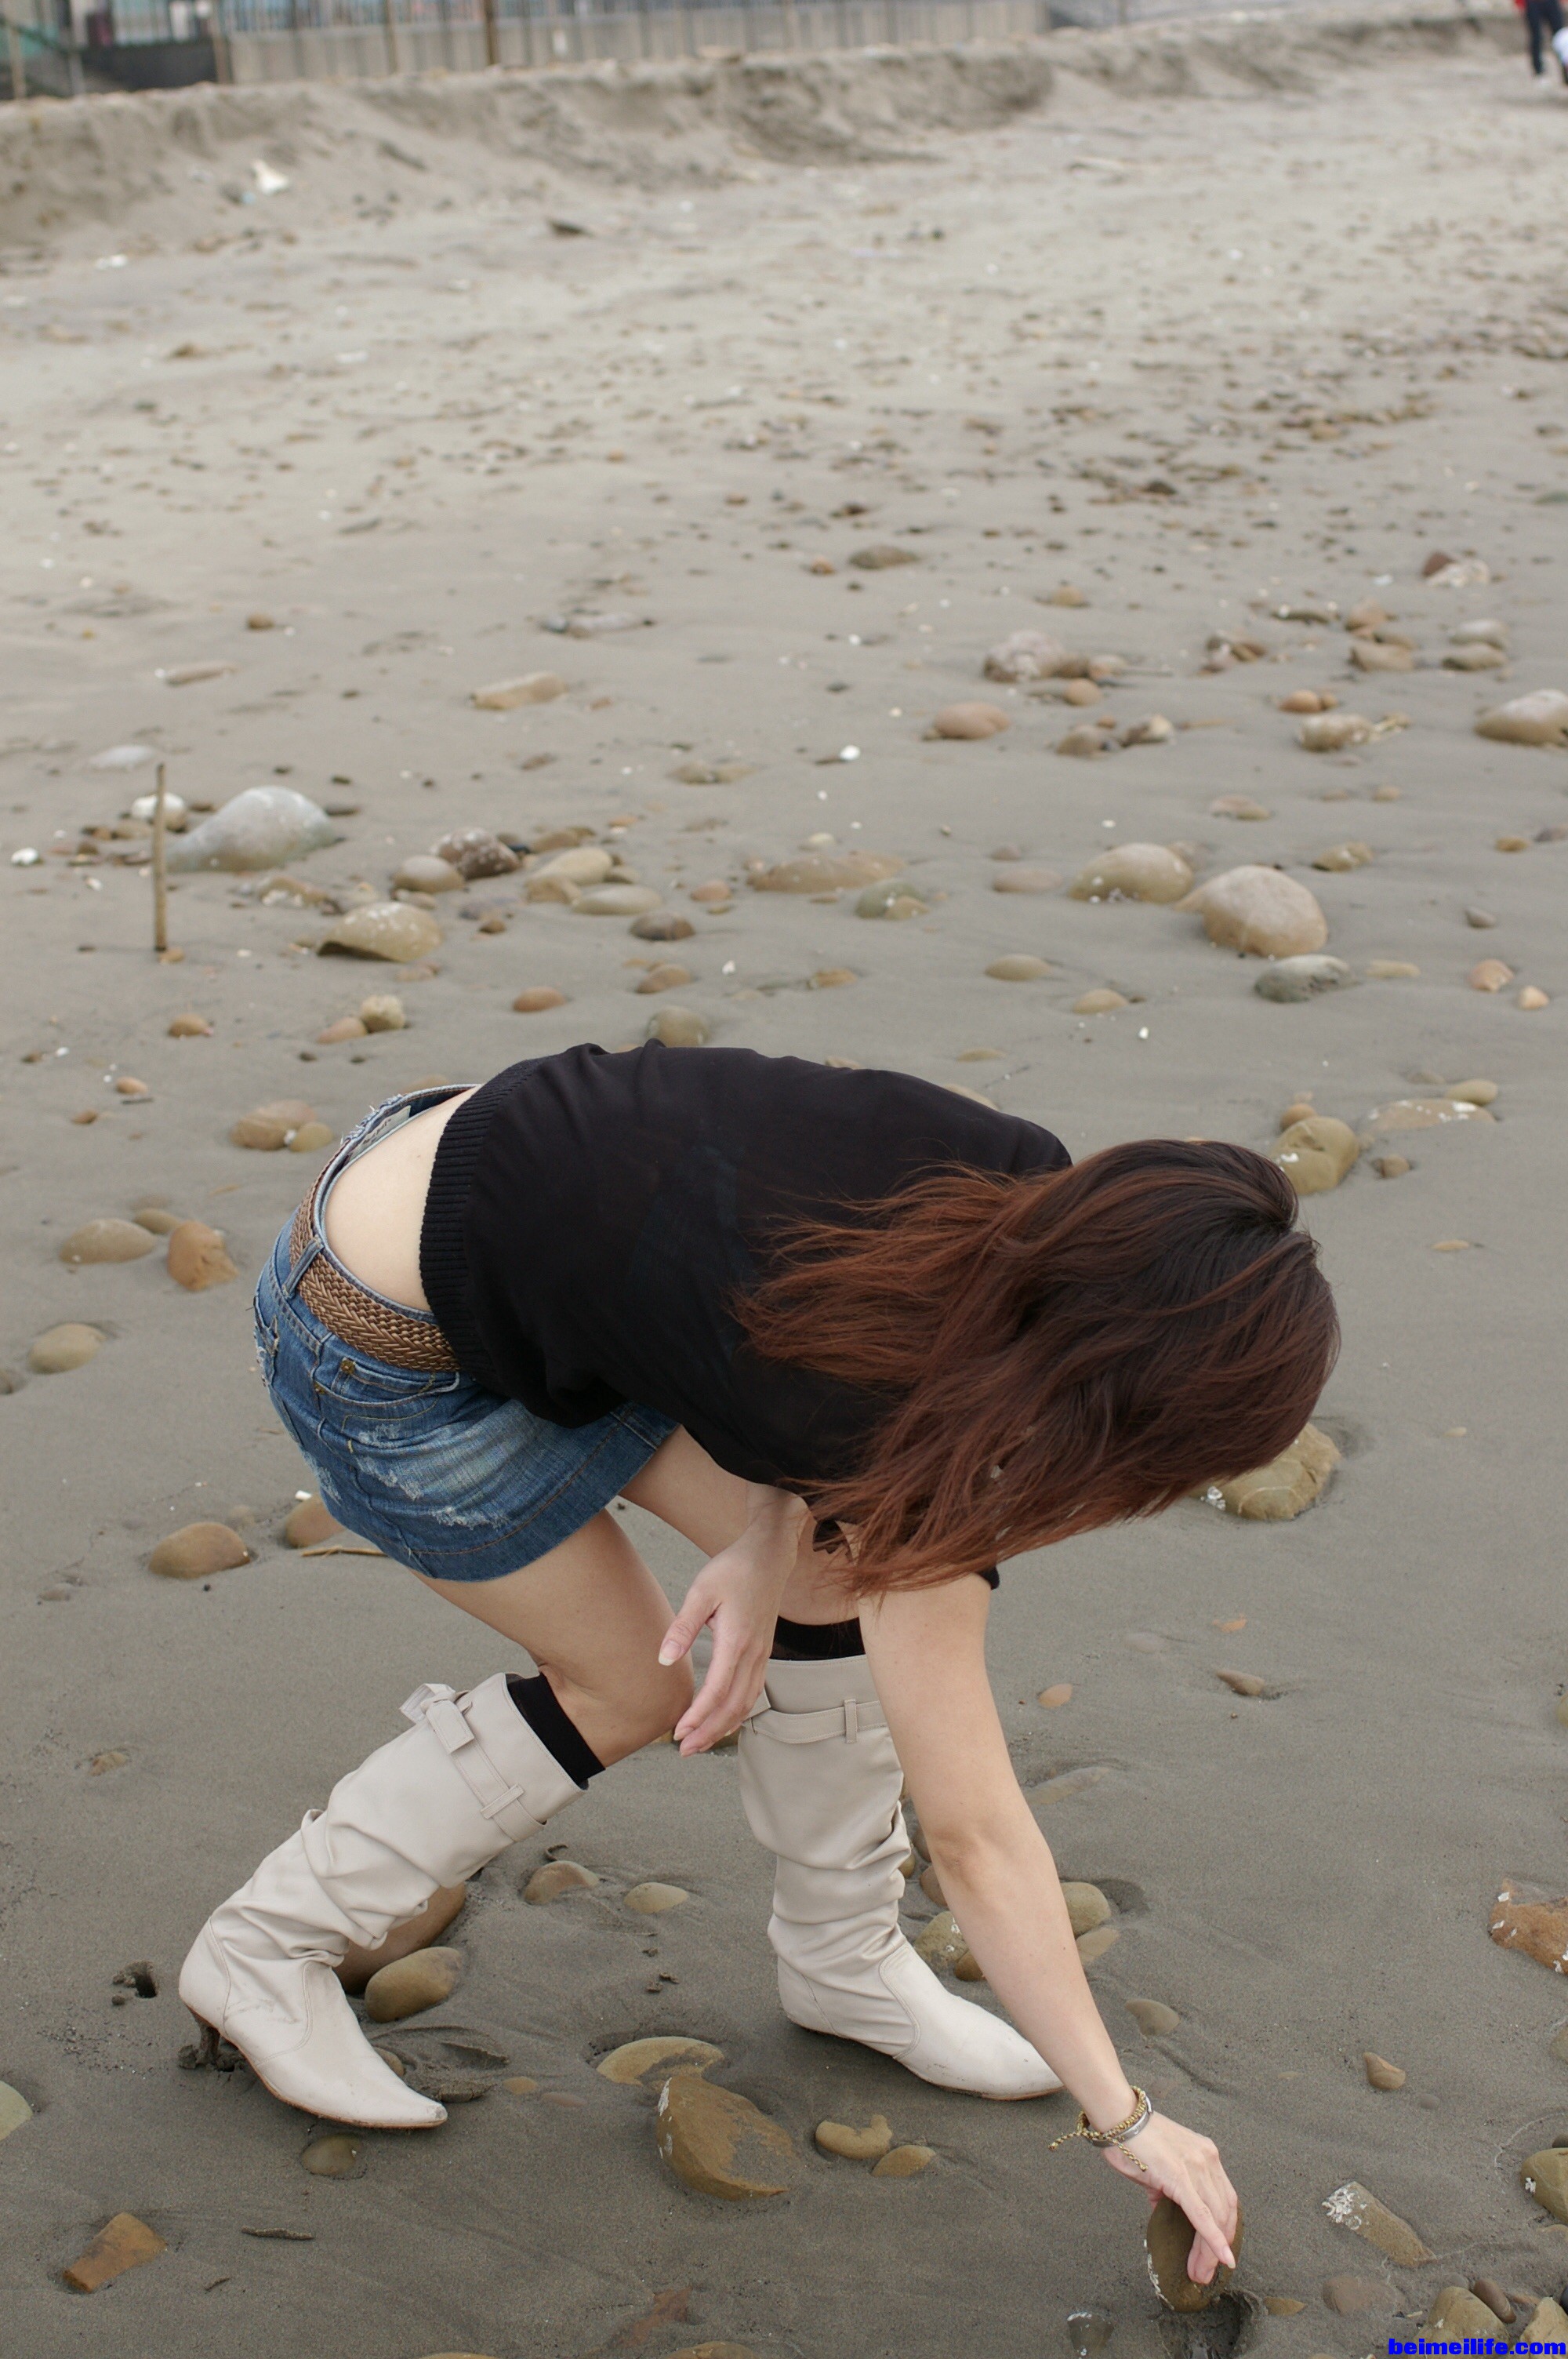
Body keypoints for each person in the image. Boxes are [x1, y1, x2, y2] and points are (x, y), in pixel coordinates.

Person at [182, 1043, 1338, 2282]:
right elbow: (974, 1836)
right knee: (634, 1685)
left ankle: (843, 1966)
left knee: (832, 1575)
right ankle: (266, 1948)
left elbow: (771, 1313)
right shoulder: (874, 1402)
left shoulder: (1022, 1185)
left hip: (530, 1250)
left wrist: (772, 1527)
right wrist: (1126, 2115)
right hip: (378, 1342)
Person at [1518, 0, 1568, 84]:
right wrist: (1520, 3)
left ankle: (1565, 70)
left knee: (1561, 36)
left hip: (1552, 2)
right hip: (1532, 3)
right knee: (1536, 37)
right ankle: (1538, 71)